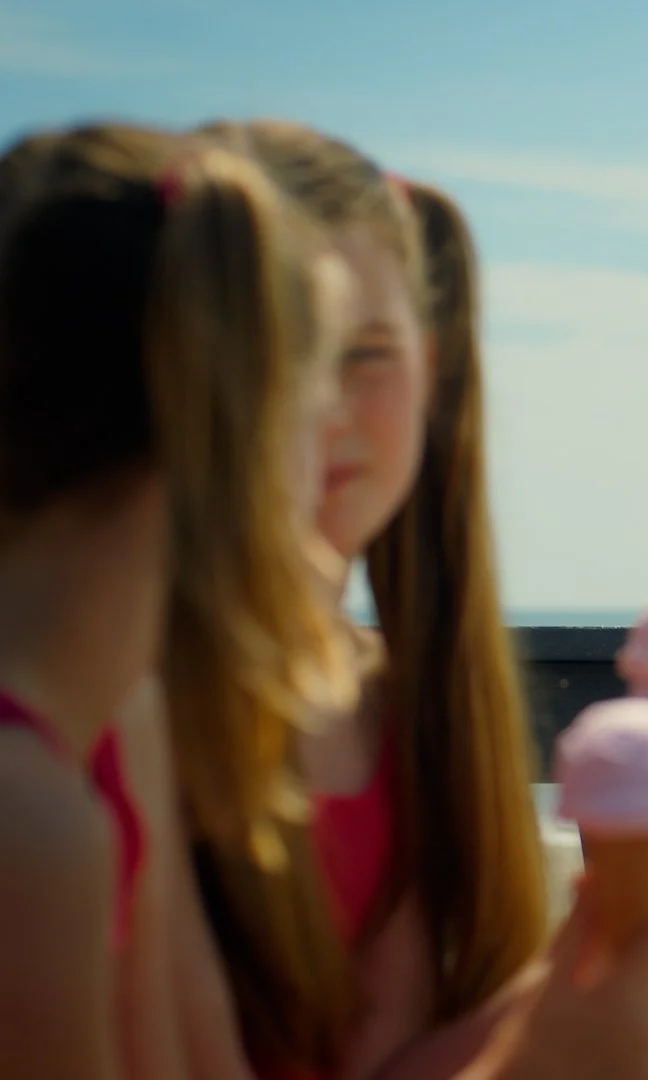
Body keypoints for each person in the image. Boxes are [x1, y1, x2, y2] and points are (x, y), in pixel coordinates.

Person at [194, 119, 648, 1080]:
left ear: (431, 369)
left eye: (367, 352)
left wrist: (591, 960)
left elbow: (388, 1062)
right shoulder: (135, 715)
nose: (325, 403)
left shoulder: (395, 705)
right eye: (276, 351)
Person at [0, 122, 359, 1080]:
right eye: (317, 404)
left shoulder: (117, 726)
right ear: (235, 424)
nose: (334, 446)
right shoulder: (29, 826)